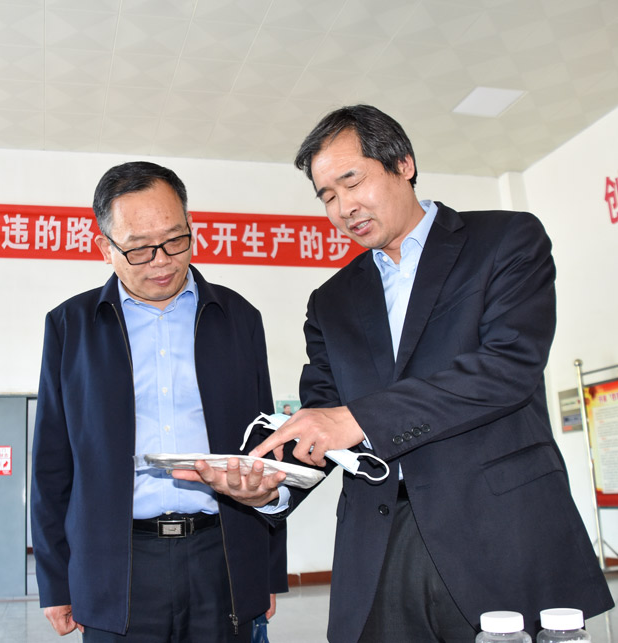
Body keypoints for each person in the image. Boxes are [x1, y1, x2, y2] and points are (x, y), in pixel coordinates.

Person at [173, 105, 614, 642]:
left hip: (501, 532)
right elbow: (322, 414)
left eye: (351, 181)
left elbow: (507, 367)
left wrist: (358, 419)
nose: (343, 208)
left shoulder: (505, 240)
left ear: (403, 163)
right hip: (380, 543)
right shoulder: (331, 301)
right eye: (327, 196)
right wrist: (266, 481)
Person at [31, 161, 287, 641]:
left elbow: (264, 451)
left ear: (191, 227)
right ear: (104, 247)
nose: (162, 260)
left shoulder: (238, 318)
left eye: (175, 240)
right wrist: (55, 580)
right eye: (139, 248)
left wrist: (269, 569)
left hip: (222, 556)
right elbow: (51, 464)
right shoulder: (71, 326)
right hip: (116, 565)